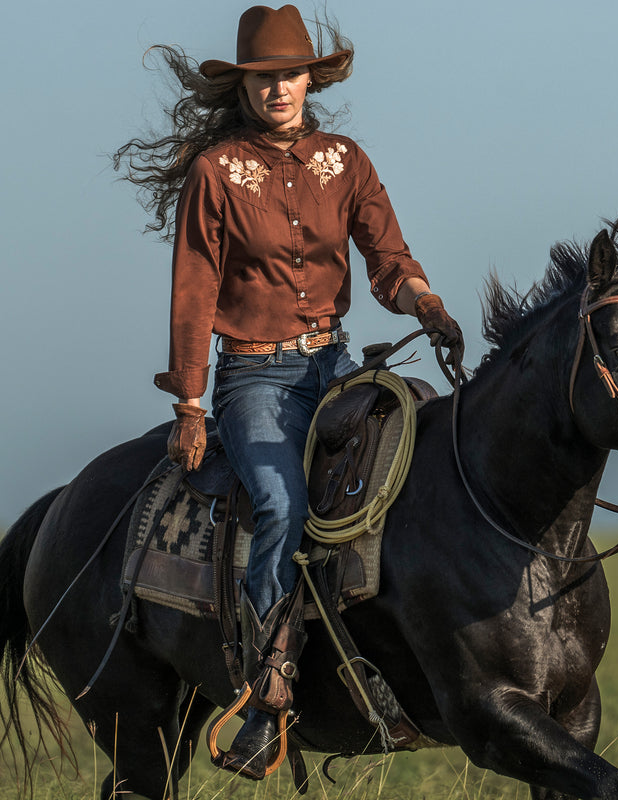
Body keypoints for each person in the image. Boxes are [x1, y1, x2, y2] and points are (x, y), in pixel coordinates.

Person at [115, 4, 463, 780]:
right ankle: (265, 686)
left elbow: (389, 261)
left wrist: (427, 304)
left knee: (421, 454)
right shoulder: (216, 173)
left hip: (335, 366)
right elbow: (194, 293)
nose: (279, 88)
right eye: (265, 78)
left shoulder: (347, 161)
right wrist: (190, 406)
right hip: (254, 378)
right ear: (245, 87)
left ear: (312, 80)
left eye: (291, 75)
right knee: (279, 504)